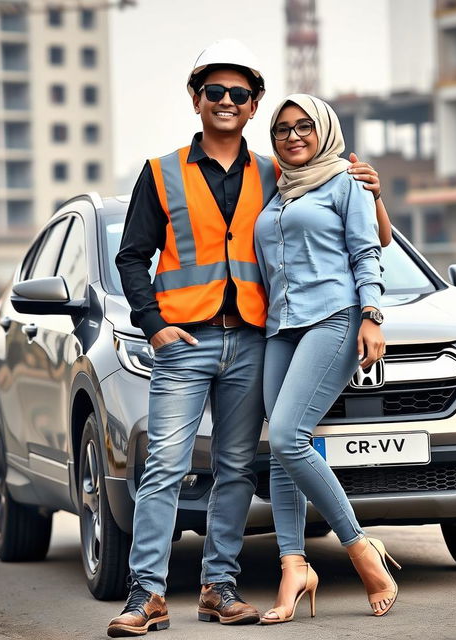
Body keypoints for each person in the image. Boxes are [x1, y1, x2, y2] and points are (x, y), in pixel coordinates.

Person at [109, 39, 390, 637]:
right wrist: (154, 325)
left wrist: (367, 185)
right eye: (216, 92)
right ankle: (147, 596)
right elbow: (131, 257)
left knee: (237, 467)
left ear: (254, 104)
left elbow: (349, 236)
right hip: (185, 342)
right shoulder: (160, 173)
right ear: (196, 99)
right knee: (165, 465)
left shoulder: (279, 174)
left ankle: (219, 588)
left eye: (240, 93)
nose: (227, 102)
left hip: (256, 340)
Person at [254, 94, 400, 624]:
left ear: (325, 129)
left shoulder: (346, 181)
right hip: (281, 327)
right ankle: (294, 567)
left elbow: (369, 249)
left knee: (291, 435)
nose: (293, 136)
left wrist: (372, 314)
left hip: (334, 317)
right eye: (282, 130)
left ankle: (361, 549)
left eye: (303, 126)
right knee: (282, 446)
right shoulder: (275, 193)